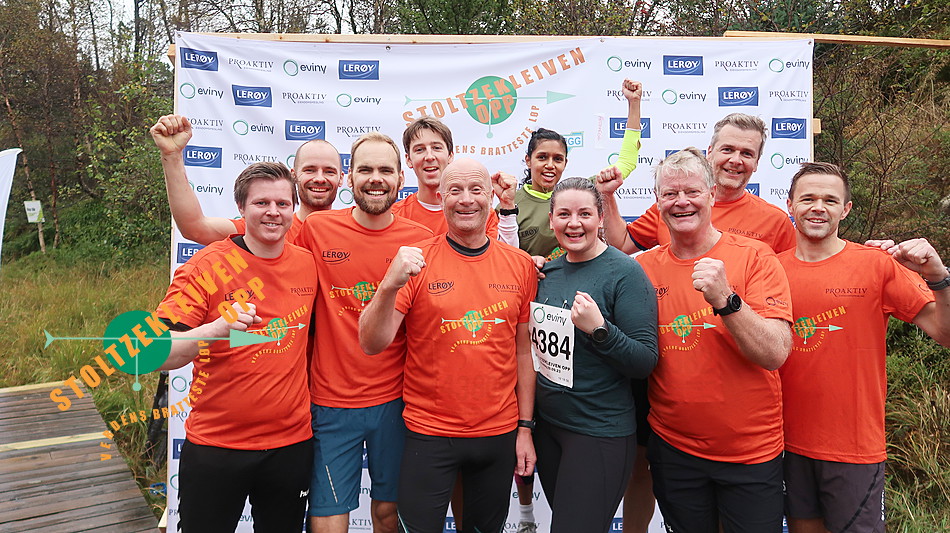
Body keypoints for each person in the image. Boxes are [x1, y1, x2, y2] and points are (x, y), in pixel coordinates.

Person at [594, 112, 794, 533]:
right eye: (670, 194)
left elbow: (776, 353)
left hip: (750, 451)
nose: (681, 201)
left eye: (691, 192)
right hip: (674, 449)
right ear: (657, 201)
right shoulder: (642, 268)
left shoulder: (756, 255)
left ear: (711, 194)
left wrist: (726, 300)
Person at [359, 158, 537, 533]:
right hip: (429, 433)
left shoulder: (520, 265)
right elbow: (371, 343)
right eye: (455, 190)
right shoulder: (416, 261)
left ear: (491, 198)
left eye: (476, 190)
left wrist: (525, 428)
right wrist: (388, 285)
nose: (466, 199)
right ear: (441, 198)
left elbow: (524, 353)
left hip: (498, 433)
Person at [778, 162, 950, 533]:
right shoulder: (769, 270)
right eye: (808, 198)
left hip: (853, 447)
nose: (818, 207)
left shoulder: (876, 264)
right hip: (786, 444)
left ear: (846, 209)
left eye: (830, 200)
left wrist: (938, 277)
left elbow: (944, 332)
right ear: (790, 204)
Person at [156, 162, 316, 532]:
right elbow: (160, 353)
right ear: (241, 209)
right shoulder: (207, 266)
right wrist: (217, 328)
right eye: (261, 203)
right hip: (217, 447)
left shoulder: (308, 264)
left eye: (282, 203)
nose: (273, 212)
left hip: (290, 446)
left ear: (294, 209)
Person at [293, 132, 433, 533]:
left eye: (385, 170)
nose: (376, 178)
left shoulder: (422, 241)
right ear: (349, 177)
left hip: (398, 403)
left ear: (401, 177)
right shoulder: (317, 229)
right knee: (326, 517)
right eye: (365, 169)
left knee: (389, 514)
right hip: (330, 401)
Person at [533, 177, 658, 532]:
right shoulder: (546, 273)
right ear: (551, 220)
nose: (574, 223)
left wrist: (600, 330)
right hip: (550, 430)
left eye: (585, 214)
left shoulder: (626, 273)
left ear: (601, 218)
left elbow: (644, 361)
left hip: (598, 432)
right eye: (564, 214)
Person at [600, 112, 795, 255]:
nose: (736, 160)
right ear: (710, 152)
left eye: (747, 153)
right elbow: (621, 244)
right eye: (727, 150)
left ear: (757, 163)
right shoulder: (672, 208)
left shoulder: (776, 222)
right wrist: (607, 196)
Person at [150, 114, 343, 244]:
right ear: (294, 176)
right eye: (309, 170)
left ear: (341, 178)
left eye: (329, 171)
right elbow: (194, 228)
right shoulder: (270, 225)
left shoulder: (350, 231)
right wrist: (172, 155)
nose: (319, 178)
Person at [395, 116, 519, 244]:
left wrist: (508, 207)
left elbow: (504, 254)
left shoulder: (478, 212)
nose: (429, 157)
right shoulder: (395, 215)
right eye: (419, 150)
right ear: (408, 159)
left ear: (450, 155)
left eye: (436, 148)